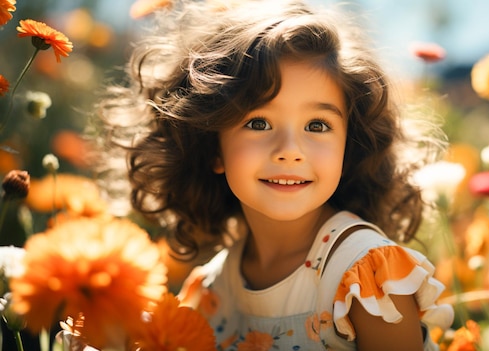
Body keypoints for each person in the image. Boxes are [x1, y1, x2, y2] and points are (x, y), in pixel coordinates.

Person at [96, 0, 454, 349]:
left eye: (317, 125)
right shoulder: (212, 288)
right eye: (258, 122)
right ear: (212, 147)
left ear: (349, 145)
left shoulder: (364, 277)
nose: (289, 150)